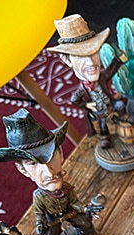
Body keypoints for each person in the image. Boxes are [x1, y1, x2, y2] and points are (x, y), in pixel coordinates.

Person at [0, 109, 106, 235]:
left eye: (50, 158)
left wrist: (85, 209)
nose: (49, 173)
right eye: (33, 163)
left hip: (70, 213)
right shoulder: (39, 196)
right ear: (22, 170)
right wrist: (40, 225)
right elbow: (39, 214)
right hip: (53, 221)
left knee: (85, 223)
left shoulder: (66, 188)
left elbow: (74, 202)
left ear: (61, 153)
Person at [47, 14, 126, 149]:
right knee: (102, 126)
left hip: (109, 105)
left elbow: (111, 70)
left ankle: (123, 123)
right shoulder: (82, 89)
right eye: (80, 56)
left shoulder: (101, 78)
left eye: (93, 52)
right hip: (99, 112)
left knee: (121, 106)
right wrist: (87, 105)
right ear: (66, 60)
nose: (90, 62)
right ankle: (104, 138)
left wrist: (119, 59)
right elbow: (74, 99)